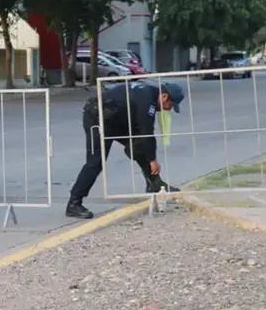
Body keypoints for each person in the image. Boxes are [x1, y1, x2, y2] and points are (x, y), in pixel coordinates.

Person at [66, 81, 186, 219]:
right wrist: (152, 160)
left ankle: (154, 184)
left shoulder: (150, 94)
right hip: (97, 119)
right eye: (170, 105)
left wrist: (143, 151)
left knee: (139, 145)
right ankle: (74, 203)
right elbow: (147, 131)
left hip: (116, 119)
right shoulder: (147, 100)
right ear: (164, 97)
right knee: (96, 162)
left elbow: (143, 135)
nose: (168, 109)